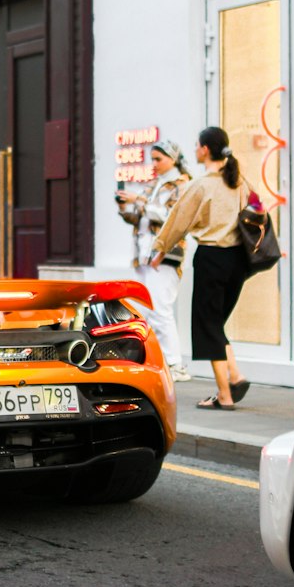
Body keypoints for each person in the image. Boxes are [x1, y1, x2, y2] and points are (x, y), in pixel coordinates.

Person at [150, 125, 254, 410]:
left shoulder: (202, 184)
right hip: (238, 261)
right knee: (215, 322)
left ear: (205, 149)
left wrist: (159, 250)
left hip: (212, 258)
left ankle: (225, 394)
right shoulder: (240, 182)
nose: (194, 149)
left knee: (207, 325)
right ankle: (235, 374)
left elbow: (177, 221)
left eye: (197, 144)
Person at [115, 137, 191, 379]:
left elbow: (171, 215)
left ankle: (175, 363)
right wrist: (125, 207)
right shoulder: (155, 184)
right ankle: (155, 360)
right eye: (153, 159)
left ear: (173, 158)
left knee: (160, 309)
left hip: (165, 254)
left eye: (159, 159)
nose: (155, 164)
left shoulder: (182, 184)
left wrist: (139, 200)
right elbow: (140, 217)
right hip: (145, 254)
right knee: (146, 310)